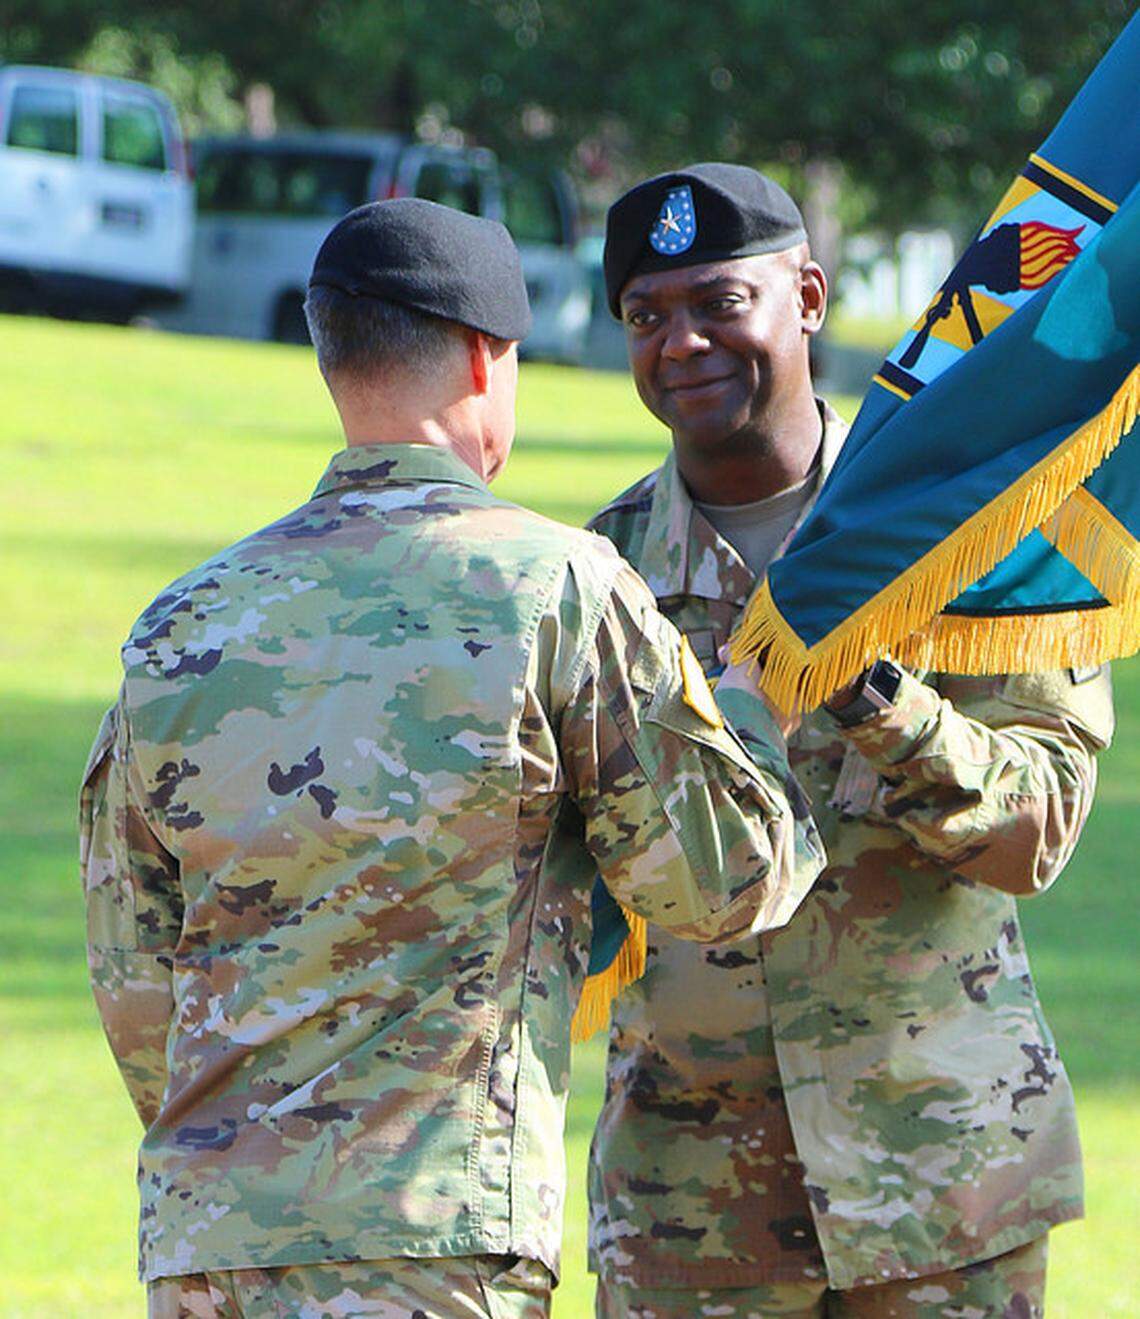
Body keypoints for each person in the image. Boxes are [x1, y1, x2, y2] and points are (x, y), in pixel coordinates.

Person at [79, 197, 825, 1319]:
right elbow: (721, 881)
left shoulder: (179, 623)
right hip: (433, 1239)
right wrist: (752, 710)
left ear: (334, 361)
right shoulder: (556, 589)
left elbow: (133, 971)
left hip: (208, 1243)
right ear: (487, 358)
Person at [586, 163, 1115, 1318]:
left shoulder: (967, 529)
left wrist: (868, 686)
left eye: (719, 302)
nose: (682, 343)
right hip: (692, 1214)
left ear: (809, 296)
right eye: (647, 315)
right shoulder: (595, 580)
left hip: (943, 1185)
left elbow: (1039, 830)